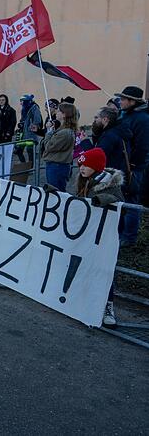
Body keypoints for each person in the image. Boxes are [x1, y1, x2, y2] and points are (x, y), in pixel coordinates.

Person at [73, 148, 124, 326]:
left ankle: (107, 306)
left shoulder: (110, 184)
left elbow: (118, 201)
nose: (82, 167)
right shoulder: (84, 182)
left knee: (104, 269)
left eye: (86, 164)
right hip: (88, 234)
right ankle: (84, 302)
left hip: (104, 236)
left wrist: (105, 199)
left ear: (96, 166)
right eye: (81, 164)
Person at [115, 86, 149, 246]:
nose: (120, 102)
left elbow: (142, 145)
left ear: (132, 101)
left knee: (132, 201)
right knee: (122, 200)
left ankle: (129, 237)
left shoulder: (142, 119)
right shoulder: (125, 116)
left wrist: (133, 164)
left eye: (123, 99)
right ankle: (120, 232)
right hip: (122, 164)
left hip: (133, 167)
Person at [40, 102, 77, 192]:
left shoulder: (65, 133)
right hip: (56, 165)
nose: (56, 112)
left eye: (59, 111)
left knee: (56, 193)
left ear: (64, 114)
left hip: (57, 166)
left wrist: (49, 132)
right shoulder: (62, 130)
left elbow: (48, 146)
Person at [92, 107, 131, 175]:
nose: (94, 120)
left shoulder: (109, 136)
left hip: (111, 176)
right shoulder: (117, 131)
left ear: (105, 119)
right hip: (118, 173)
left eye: (96, 117)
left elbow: (96, 156)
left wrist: (85, 141)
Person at [15, 94, 42, 163]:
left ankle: (31, 168)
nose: (20, 103)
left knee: (30, 151)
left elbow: (37, 119)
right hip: (23, 134)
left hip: (31, 134)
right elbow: (23, 119)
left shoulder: (34, 108)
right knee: (18, 150)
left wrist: (32, 126)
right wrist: (21, 124)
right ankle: (24, 165)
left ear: (26, 101)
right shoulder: (24, 109)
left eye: (22, 101)